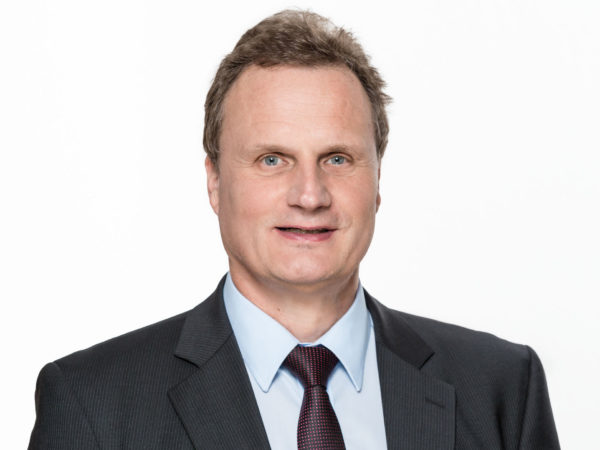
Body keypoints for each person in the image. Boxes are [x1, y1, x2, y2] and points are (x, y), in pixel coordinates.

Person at [29, 10, 560, 450]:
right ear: (215, 181)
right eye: (272, 160)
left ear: (378, 178)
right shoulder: (91, 404)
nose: (310, 195)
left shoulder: (502, 388)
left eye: (337, 158)